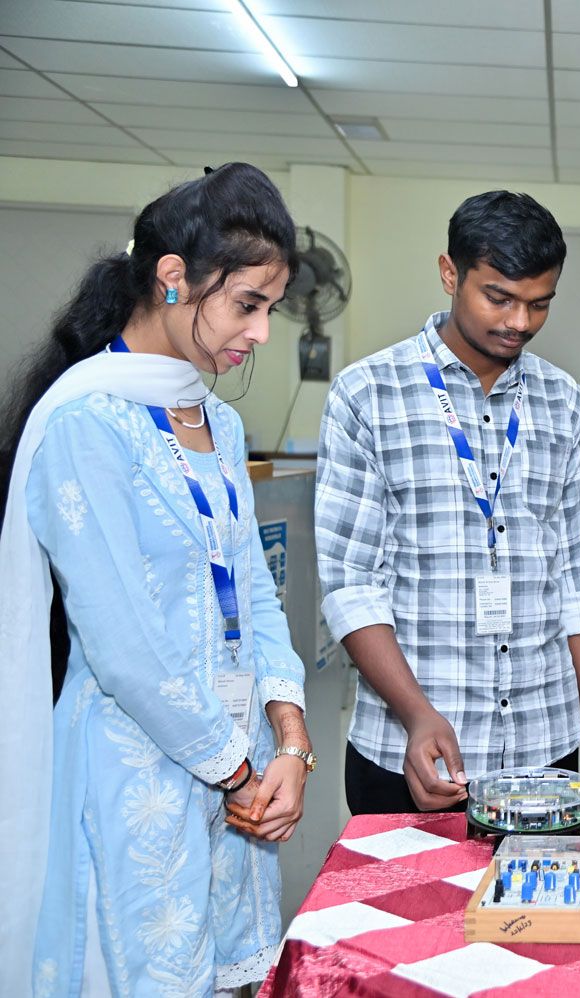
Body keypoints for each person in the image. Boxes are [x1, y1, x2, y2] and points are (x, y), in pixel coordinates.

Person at [0, 162, 312, 995]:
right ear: (174, 277)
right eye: (247, 305)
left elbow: (252, 586)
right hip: (135, 774)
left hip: (236, 773)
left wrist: (289, 742)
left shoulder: (219, 419)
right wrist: (241, 772)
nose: (261, 333)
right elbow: (124, 644)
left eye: (271, 309)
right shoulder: (85, 423)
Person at [317, 190, 580, 815]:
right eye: (499, 297)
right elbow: (351, 587)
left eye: (540, 303)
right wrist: (416, 714)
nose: (520, 322)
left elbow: (575, 582)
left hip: (544, 743)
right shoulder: (367, 394)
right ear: (449, 273)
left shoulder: (563, 400)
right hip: (410, 748)